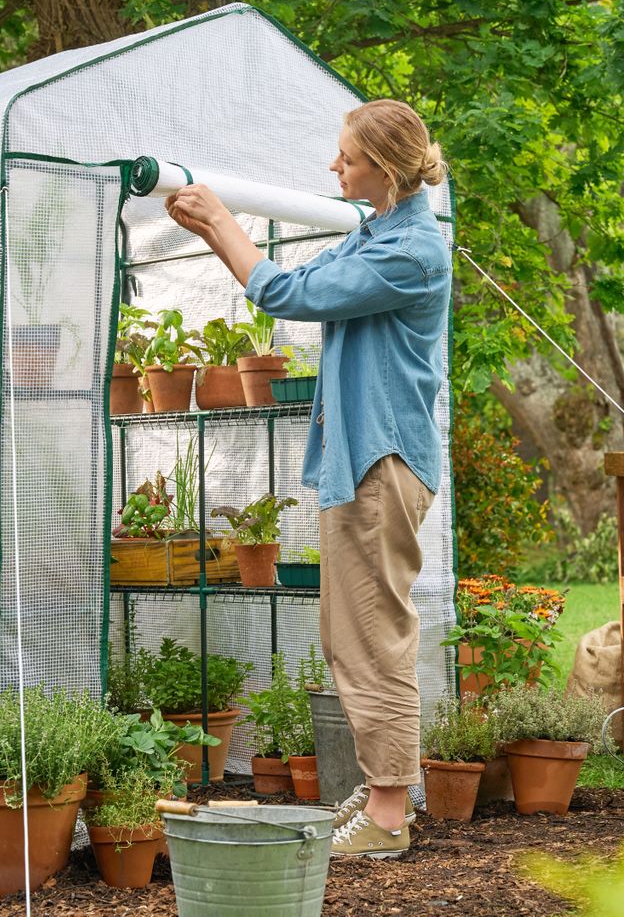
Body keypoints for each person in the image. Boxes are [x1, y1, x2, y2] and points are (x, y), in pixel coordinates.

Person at [165, 99, 451, 859]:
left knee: (371, 637)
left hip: (380, 463)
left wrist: (223, 222)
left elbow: (283, 296)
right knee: (345, 633)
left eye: (347, 157)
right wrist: (219, 232)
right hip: (359, 461)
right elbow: (288, 278)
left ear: (383, 170)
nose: (334, 167)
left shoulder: (413, 251)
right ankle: (384, 786)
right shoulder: (375, 233)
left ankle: (390, 814)